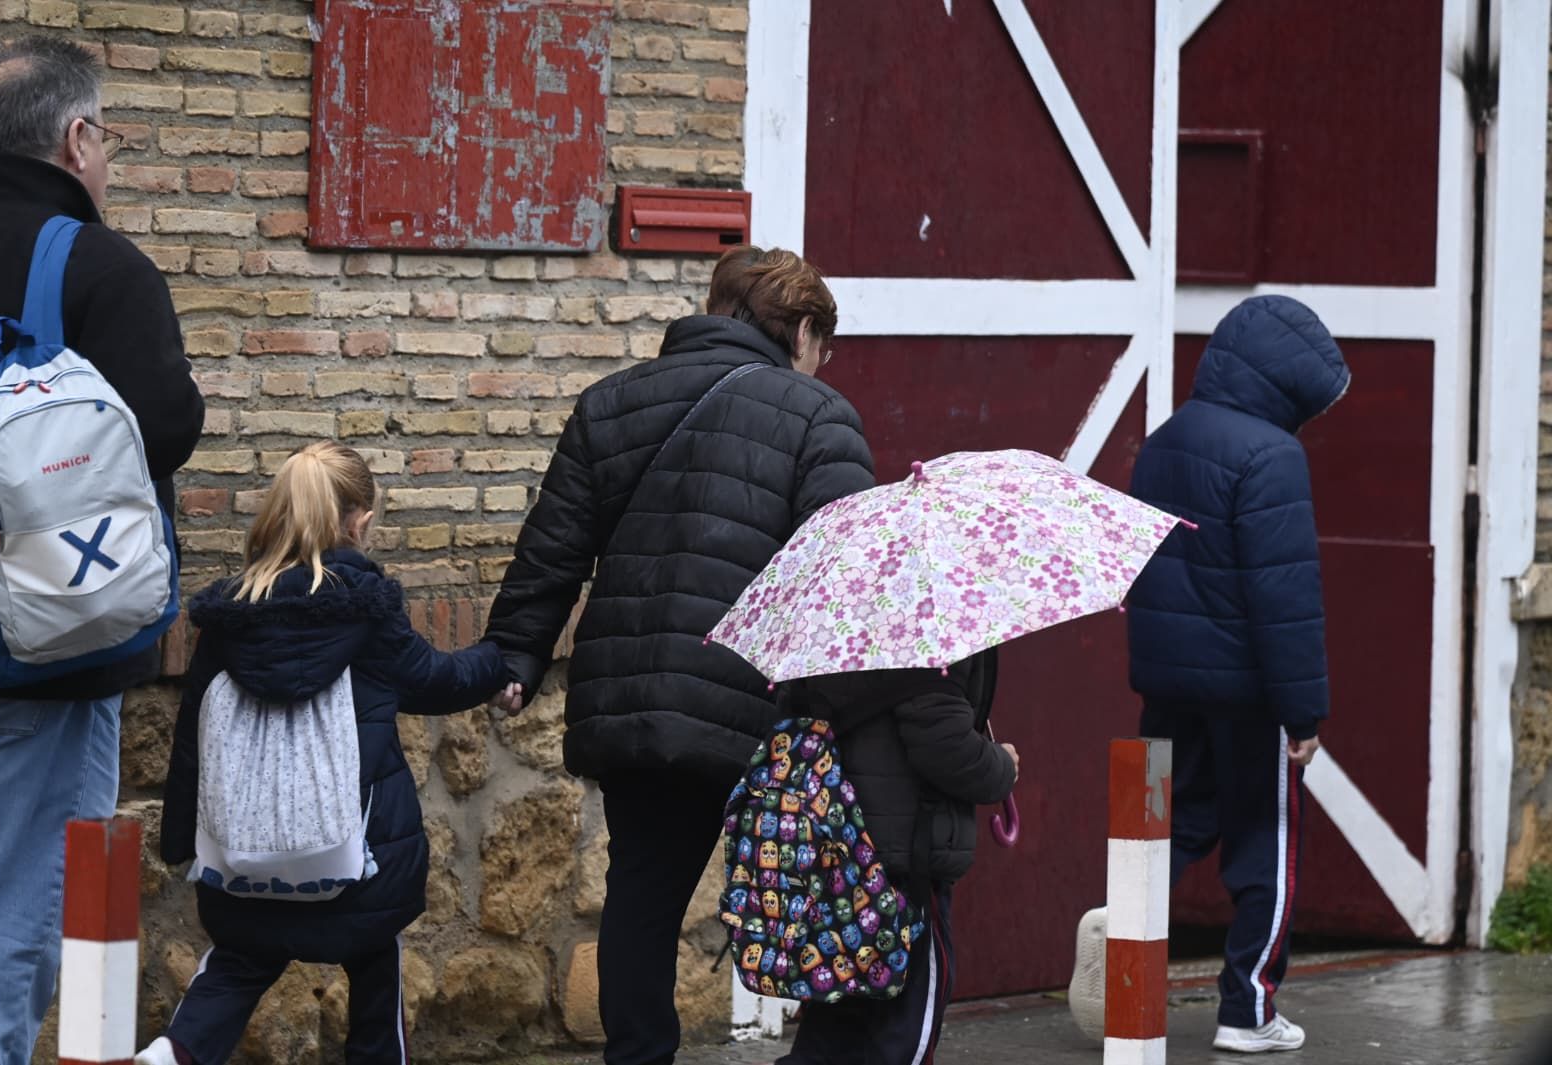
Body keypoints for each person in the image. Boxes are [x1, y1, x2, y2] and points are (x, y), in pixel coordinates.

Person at [483, 246, 875, 1065]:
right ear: (802, 330)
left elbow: (553, 548)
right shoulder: (818, 415)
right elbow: (839, 581)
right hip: (757, 707)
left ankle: (637, 1057)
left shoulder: (610, 402)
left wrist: (517, 653)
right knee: (817, 888)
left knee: (642, 895)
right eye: (822, 344)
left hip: (630, 702)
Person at [0, 36, 204, 1063]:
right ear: (76, 137)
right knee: (2, 916)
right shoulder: (96, 265)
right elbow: (166, 427)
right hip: (30, 658)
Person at [139, 444, 510, 1065]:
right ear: (359, 520)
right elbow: (434, 681)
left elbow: (192, 735)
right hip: (353, 854)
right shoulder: (365, 606)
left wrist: (180, 839)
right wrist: (503, 657)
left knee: (237, 962)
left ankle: (172, 1056)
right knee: (373, 961)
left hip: (245, 855)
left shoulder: (230, 612)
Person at [1070, 295, 1349, 1054]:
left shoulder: (1164, 440)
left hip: (1168, 682)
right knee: (1267, 843)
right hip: (1249, 693)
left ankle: (1118, 939)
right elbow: (1284, 596)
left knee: (1167, 829)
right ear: (1289, 383)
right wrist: (1304, 715)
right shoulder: (1272, 455)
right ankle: (1248, 1007)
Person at [774, 652, 1019, 1063]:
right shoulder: (932, 632)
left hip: (836, 850)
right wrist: (1001, 765)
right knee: (905, 1026)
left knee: (838, 1004)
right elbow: (946, 746)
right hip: (907, 863)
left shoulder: (831, 625)